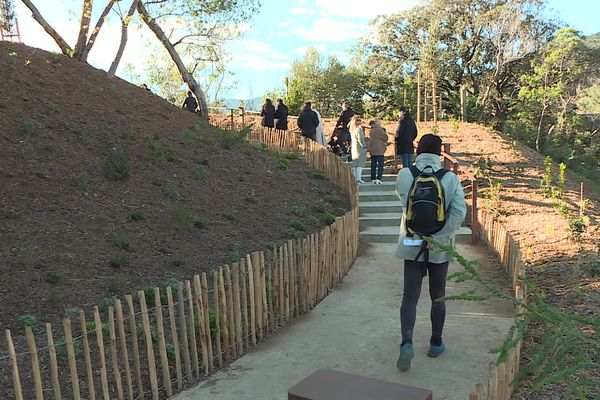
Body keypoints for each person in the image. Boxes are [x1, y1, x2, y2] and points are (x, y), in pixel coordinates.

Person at [394, 133, 467, 371]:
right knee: (438, 296)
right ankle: (436, 343)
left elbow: (404, 202)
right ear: (439, 152)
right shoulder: (450, 178)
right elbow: (459, 212)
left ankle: (406, 342)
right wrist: (439, 238)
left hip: (411, 242)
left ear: (418, 149)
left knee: (410, 297)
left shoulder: (405, 175)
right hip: (439, 245)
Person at [368, 119, 389, 184]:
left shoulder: (371, 130)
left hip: (373, 149)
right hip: (380, 149)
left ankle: (373, 177)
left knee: (373, 164)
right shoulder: (380, 129)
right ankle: (379, 178)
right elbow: (385, 137)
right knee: (380, 165)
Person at [349, 115, 367, 184]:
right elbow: (361, 139)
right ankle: (359, 178)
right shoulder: (359, 129)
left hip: (354, 148)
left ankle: (355, 178)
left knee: (355, 164)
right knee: (360, 164)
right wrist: (364, 146)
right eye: (359, 120)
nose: (360, 121)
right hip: (359, 148)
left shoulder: (352, 130)